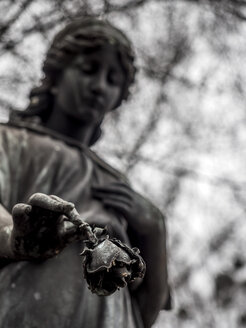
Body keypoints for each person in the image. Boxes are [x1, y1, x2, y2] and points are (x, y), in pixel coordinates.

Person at [0, 17, 170, 328]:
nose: (99, 86)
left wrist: (155, 230)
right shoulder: (10, 141)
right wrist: (12, 236)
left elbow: (145, 310)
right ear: (55, 75)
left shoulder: (118, 185)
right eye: (89, 69)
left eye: (112, 79)